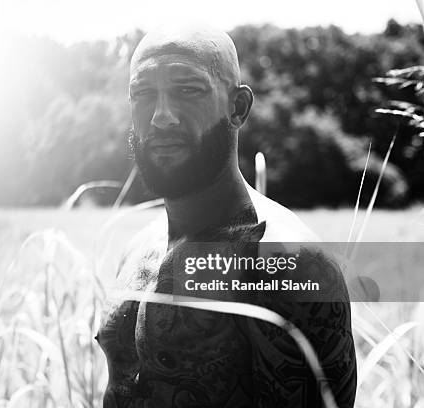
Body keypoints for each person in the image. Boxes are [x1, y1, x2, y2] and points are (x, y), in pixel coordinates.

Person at [95, 24, 357, 408]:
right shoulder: (137, 249)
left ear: (237, 108)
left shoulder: (289, 265)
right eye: (143, 93)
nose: (161, 117)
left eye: (188, 90)